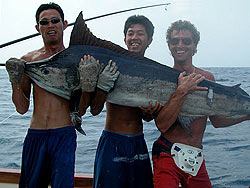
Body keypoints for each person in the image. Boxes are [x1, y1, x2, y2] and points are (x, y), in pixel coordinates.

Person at [5, 3, 118, 187]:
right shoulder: (28, 61)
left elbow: (79, 111)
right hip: (35, 135)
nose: (50, 25)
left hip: (64, 135)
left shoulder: (81, 61)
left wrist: (88, 86)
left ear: (64, 24)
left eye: (55, 20)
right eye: (44, 22)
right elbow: (21, 108)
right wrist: (15, 81)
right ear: (37, 28)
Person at [152, 20, 250, 188]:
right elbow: (162, 124)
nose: (180, 45)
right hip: (167, 154)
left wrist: (248, 115)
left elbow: (217, 121)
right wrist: (181, 91)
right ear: (169, 46)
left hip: (195, 158)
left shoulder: (207, 78)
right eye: (175, 41)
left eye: (186, 41)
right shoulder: (160, 78)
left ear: (195, 46)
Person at [92, 15, 162, 188]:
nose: (134, 38)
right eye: (130, 33)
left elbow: (145, 118)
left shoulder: (154, 71)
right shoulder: (110, 65)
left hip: (138, 141)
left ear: (150, 40)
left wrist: (150, 113)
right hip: (112, 141)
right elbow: (94, 109)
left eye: (140, 33)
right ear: (124, 38)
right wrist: (101, 86)